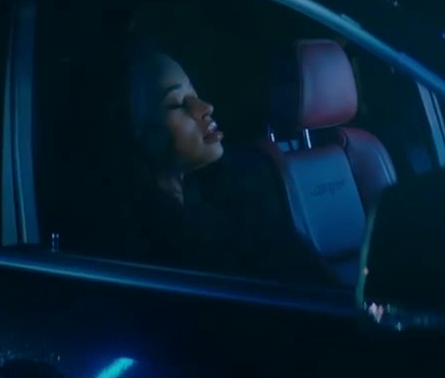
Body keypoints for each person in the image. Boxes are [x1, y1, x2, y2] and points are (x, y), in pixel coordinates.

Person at [115, 37, 329, 285]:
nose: (205, 107)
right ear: (139, 133)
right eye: (176, 103)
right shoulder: (156, 251)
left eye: (193, 93)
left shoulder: (234, 190)